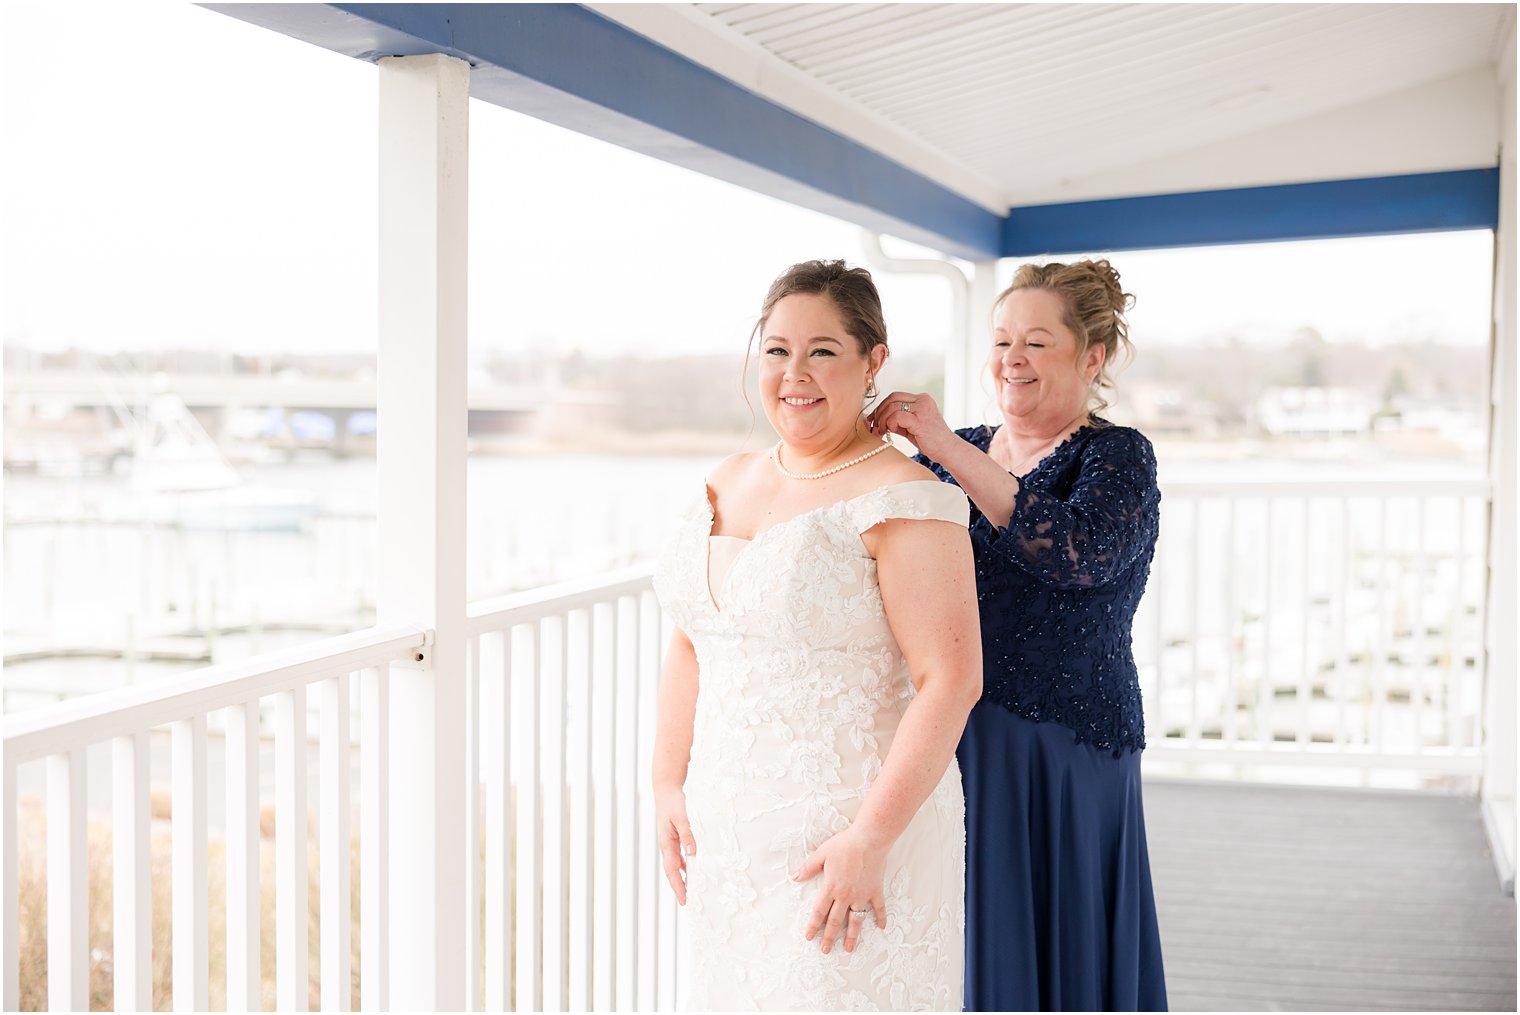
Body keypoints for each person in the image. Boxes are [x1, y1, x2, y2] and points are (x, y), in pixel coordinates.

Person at [651, 259, 983, 1011]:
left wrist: (871, 838)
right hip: (731, 836)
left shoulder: (905, 494)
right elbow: (691, 637)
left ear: (873, 362)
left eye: (823, 351)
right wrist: (666, 782)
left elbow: (952, 679)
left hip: (852, 836)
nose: (795, 373)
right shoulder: (727, 477)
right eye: (777, 350)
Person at [869, 259, 1168, 1012]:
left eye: (1037, 341)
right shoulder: (951, 451)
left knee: (1062, 953)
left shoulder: (1116, 455)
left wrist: (943, 446)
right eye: (1002, 340)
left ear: (1091, 358)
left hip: (1066, 746)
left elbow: (1074, 550)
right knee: (968, 942)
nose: (1012, 358)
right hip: (955, 735)